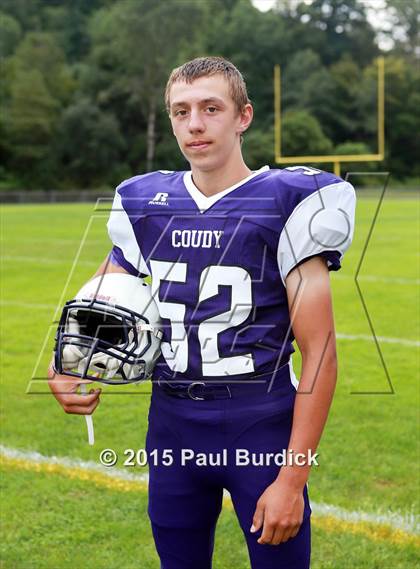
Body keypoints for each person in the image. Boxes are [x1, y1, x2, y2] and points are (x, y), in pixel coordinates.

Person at [48, 56, 356, 568]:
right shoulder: (147, 201)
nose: (194, 124)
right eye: (181, 111)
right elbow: (102, 300)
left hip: (261, 427)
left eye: (211, 108)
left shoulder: (290, 201)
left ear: (243, 116)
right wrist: (63, 367)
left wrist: (293, 477)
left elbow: (320, 351)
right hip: (171, 427)